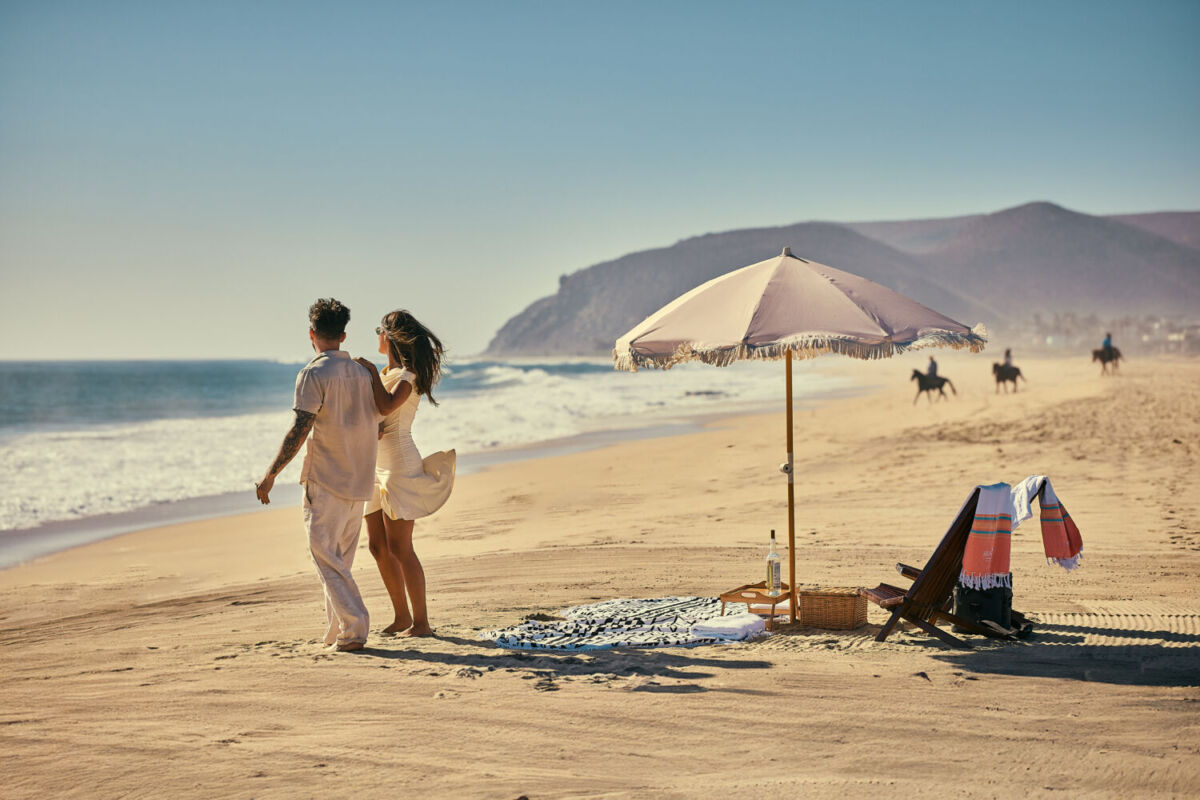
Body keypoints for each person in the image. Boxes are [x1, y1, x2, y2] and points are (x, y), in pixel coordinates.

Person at [256, 298, 381, 652]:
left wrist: (271, 473)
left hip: (326, 480)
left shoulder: (312, 373)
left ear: (312, 333)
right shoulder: (361, 372)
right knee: (339, 562)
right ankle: (336, 633)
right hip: (359, 479)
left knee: (325, 558)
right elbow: (378, 424)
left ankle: (355, 629)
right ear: (343, 334)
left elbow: (300, 427)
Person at [354, 310, 455, 638]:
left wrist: (368, 370)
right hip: (374, 465)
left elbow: (385, 407)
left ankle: (421, 622)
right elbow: (376, 417)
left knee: (400, 547)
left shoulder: (407, 376)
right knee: (377, 547)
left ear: (390, 337)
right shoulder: (387, 372)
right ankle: (401, 617)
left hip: (398, 465)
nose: (376, 337)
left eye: (378, 331)